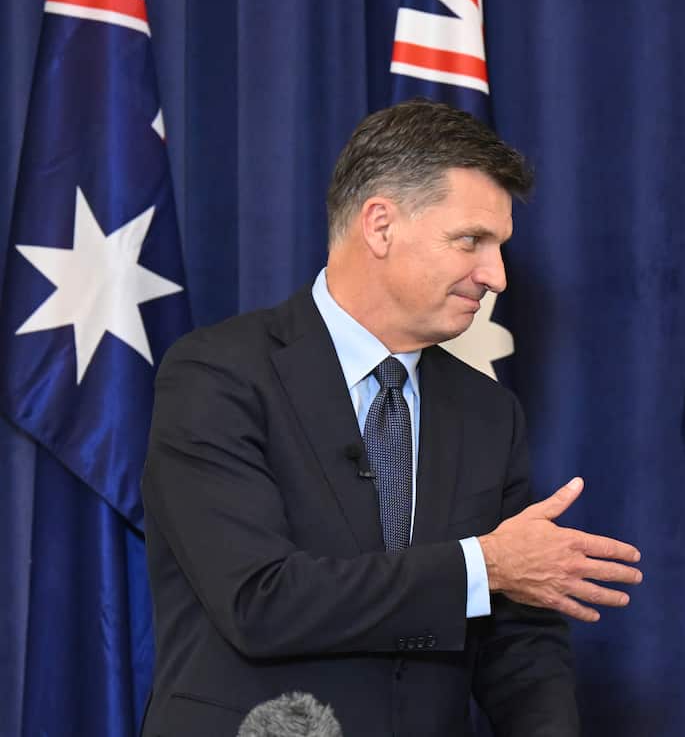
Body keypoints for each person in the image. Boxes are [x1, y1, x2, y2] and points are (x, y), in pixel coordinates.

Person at [141, 99, 642, 736]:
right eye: (471, 241)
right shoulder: (217, 374)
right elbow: (259, 600)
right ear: (380, 225)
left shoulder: (490, 413)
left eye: (500, 247)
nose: (496, 276)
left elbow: (516, 641)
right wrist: (481, 565)